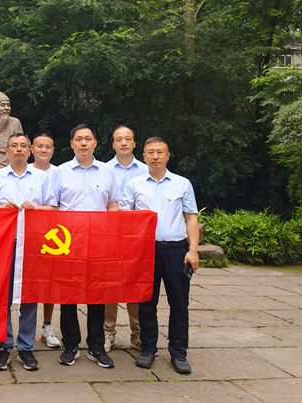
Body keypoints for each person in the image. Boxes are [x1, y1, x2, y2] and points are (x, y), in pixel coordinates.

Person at [120, 137, 199, 374]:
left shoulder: (182, 183)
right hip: (145, 251)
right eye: (150, 152)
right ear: (143, 156)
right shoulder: (134, 185)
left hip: (176, 251)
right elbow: (124, 216)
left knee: (179, 304)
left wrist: (193, 250)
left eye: (159, 152)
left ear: (167, 156)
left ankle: (179, 352)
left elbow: (191, 218)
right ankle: (147, 348)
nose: (155, 156)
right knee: (146, 303)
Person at [50, 124, 120, 368]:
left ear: (95, 143)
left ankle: (96, 346)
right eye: (78, 139)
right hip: (68, 244)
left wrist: (112, 236)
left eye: (87, 139)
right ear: (71, 144)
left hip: (99, 242)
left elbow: (113, 205)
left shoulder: (107, 172)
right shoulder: (60, 171)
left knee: (97, 294)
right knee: (68, 296)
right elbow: (53, 207)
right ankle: (70, 344)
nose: (83, 143)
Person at [0, 133, 56, 372]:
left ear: (30, 150)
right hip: (3, 245)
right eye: (14, 146)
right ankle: (3, 346)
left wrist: (36, 208)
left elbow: (53, 207)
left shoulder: (41, 177)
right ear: (6, 151)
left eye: (23, 146)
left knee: (29, 297)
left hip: (33, 245)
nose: (18, 149)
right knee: (2, 297)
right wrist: (0, 209)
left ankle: (26, 347)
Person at [103, 126, 148, 352]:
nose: (123, 143)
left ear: (134, 143)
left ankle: (137, 334)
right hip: (109, 234)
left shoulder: (145, 169)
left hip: (137, 236)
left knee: (135, 284)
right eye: (118, 139)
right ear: (112, 144)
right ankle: (108, 333)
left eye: (127, 139)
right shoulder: (104, 170)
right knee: (110, 285)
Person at [30, 132, 61, 349]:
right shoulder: (23, 170)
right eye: (39, 146)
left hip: (53, 236)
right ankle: (23, 328)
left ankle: (47, 326)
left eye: (48, 147)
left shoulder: (60, 172)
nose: (43, 150)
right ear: (31, 149)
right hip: (26, 236)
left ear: (53, 150)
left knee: (50, 283)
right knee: (27, 282)